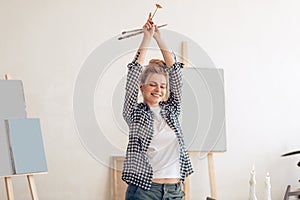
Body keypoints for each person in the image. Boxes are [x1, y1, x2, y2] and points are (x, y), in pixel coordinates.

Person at [122, 14, 193, 200]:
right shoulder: (134, 113)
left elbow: (176, 74)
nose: (158, 90)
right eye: (152, 84)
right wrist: (146, 38)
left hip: (175, 191)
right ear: (142, 86)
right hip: (145, 191)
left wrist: (159, 38)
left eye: (162, 86)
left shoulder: (172, 110)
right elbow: (133, 74)